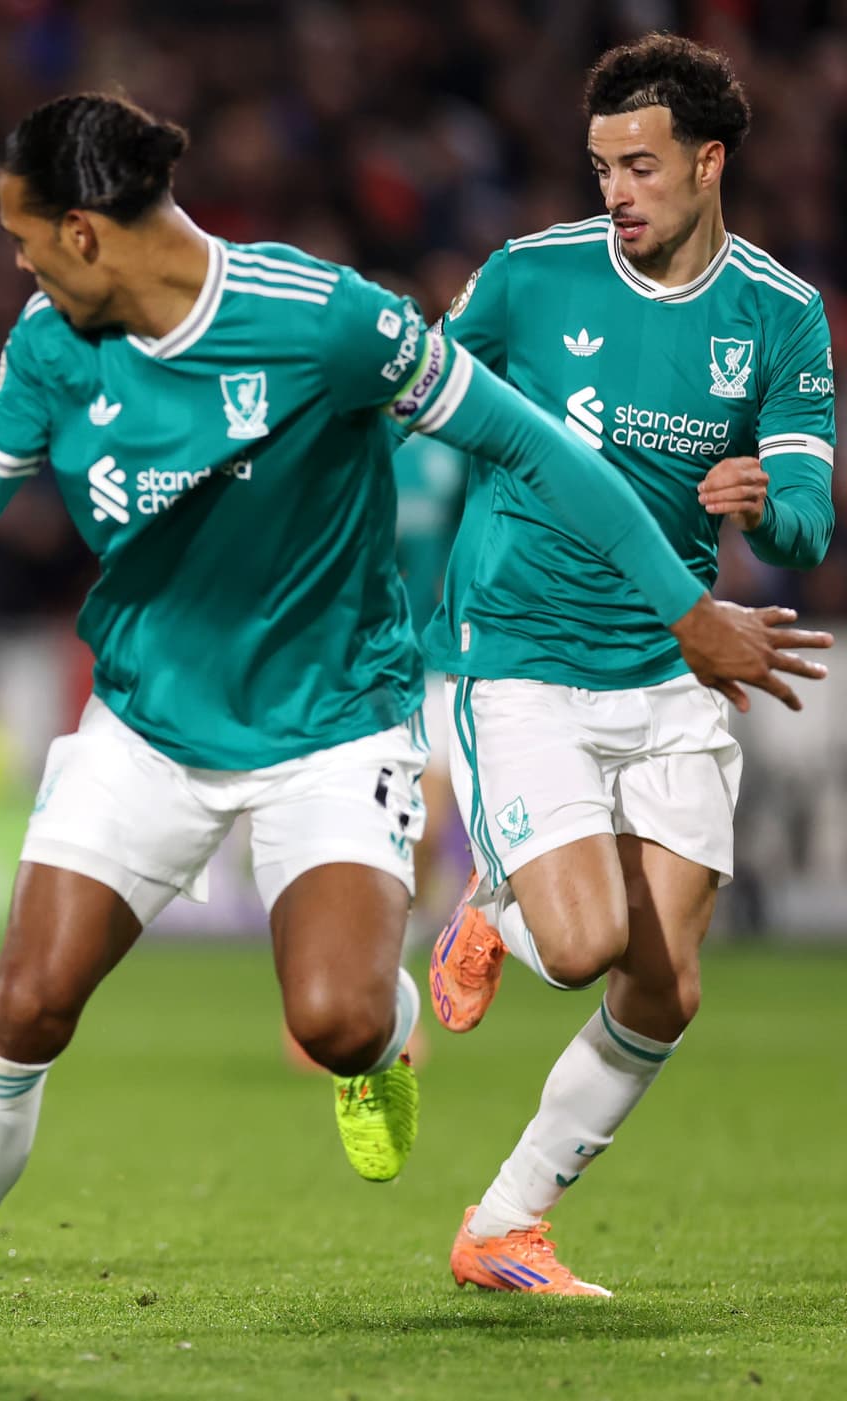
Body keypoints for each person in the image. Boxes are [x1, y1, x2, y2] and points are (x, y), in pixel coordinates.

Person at [0, 92, 828, 1354]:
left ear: (85, 232)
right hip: (144, 724)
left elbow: (541, 452)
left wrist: (687, 610)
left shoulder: (328, 322)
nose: (19, 268)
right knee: (27, 1002)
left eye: (27, 241)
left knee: (338, 1020)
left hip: (335, 731)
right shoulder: (50, 343)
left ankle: (386, 1040)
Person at [426, 35, 835, 1295]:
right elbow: (421, 399)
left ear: (710, 164)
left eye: (641, 166)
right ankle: (494, 906)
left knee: (666, 992)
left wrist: (766, 502)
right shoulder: (529, 279)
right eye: (602, 165)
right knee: (589, 940)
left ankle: (505, 1224)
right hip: (523, 653)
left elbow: (816, 518)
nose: (616, 191)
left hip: (669, 674)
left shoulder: (779, 313)